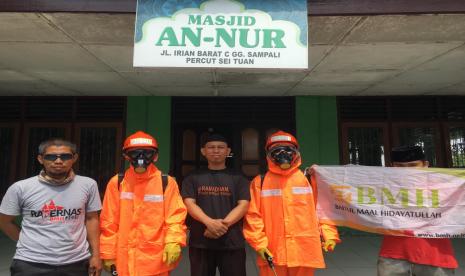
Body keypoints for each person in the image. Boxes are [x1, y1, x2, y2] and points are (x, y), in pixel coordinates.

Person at [244, 130, 340, 276]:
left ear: (296, 152)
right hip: (273, 251)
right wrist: (260, 245)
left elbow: (322, 211)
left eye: (288, 149)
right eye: (277, 150)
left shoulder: (308, 180)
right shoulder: (260, 182)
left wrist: (329, 235)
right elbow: (253, 216)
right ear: (269, 154)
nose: (283, 154)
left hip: (303, 251)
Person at [0, 138, 102, 276]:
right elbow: (4, 221)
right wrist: (27, 241)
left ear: (74, 158)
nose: (58, 161)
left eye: (65, 156)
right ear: (40, 159)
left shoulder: (88, 185)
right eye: (51, 157)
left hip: (76, 263)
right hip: (30, 263)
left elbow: (92, 219)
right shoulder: (21, 188)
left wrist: (96, 255)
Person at [100, 131, 187, 276]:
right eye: (134, 153)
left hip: (155, 260)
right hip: (124, 260)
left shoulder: (166, 182)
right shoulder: (117, 182)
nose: (141, 158)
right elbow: (109, 221)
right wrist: (108, 252)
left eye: (147, 153)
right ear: (126, 156)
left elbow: (175, 217)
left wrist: (173, 241)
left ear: (155, 156)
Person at [377, 145, 458, 276]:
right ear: (391, 166)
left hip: (436, 257)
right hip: (393, 256)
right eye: (400, 166)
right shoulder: (381, 188)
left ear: (425, 165)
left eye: (412, 165)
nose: (406, 171)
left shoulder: (445, 188)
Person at [181, 133, 250, 276]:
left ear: (228, 151)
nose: (216, 150)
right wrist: (209, 222)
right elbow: (189, 203)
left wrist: (220, 226)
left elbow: (243, 205)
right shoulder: (192, 177)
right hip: (201, 242)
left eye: (220, 147)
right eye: (211, 147)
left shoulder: (239, 177)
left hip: (232, 242)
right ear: (203, 151)